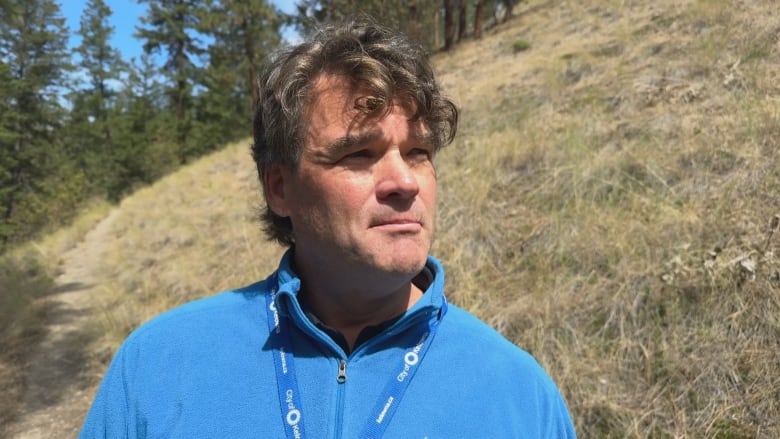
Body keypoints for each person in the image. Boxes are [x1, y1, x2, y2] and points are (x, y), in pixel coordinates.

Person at [79, 17, 576, 438]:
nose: (404, 181)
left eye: (419, 152)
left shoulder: (520, 394)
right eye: (359, 154)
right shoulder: (158, 366)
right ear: (279, 189)